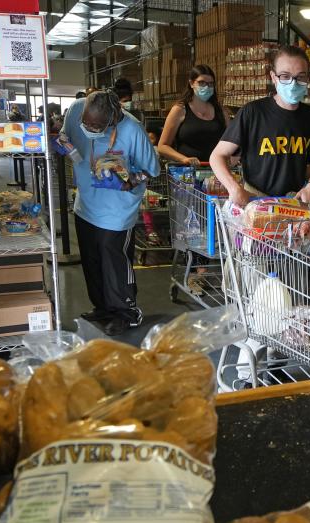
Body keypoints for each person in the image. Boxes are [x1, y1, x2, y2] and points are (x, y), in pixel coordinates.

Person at [61, 90, 160, 336]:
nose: (88, 128)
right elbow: (65, 135)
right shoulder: (75, 109)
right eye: (86, 123)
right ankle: (103, 308)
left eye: (96, 126)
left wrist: (129, 182)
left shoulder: (132, 129)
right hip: (86, 202)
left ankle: (126, 311)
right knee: (92, 260)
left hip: (117, 209)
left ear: (112, 120)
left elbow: (153, 170)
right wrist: (66, 146)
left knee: (113, 261)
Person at [211, 46, 310, 206]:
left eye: (300, 77)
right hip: (256, 202)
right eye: (285, 76)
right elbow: (217, 156)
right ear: (273, 77)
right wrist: (234, 188)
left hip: (294, 204)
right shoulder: (252, 113)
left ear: (308, 78)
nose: (293, 84)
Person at [158, 65, 229, 166]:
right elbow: (162, 146)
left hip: (215, 172)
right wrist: (184, 159)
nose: (206, 87)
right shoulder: (179, 110)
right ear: (191, 83)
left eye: (210, 84)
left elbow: (232, 142)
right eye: (201, 83)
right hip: (186, 174)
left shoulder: (221, 112)